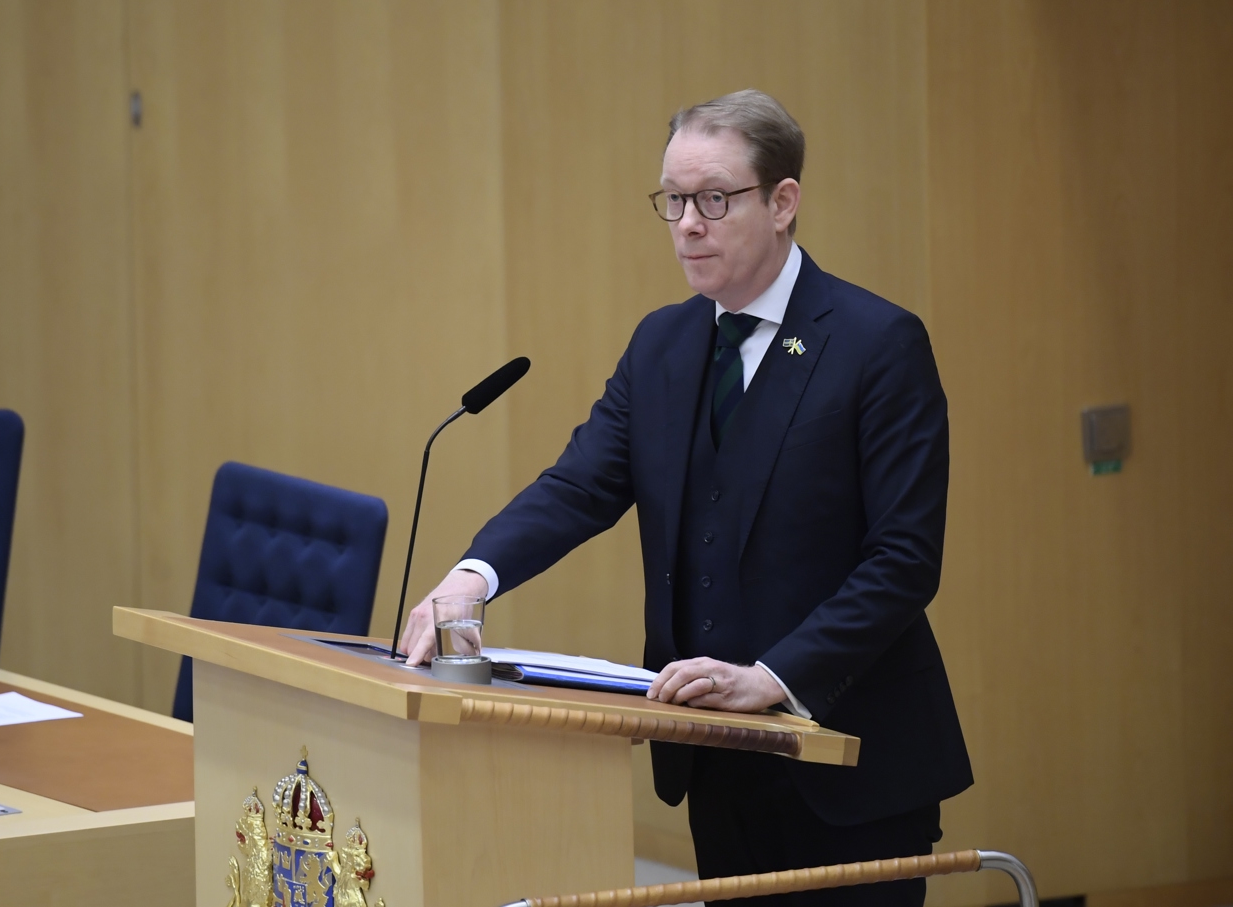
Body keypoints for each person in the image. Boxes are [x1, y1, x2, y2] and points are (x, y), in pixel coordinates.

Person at [399, 89, 972, 905]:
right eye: (673, 201)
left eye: (713, 198)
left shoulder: (878, 344)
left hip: (849, 763)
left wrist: (774, 675)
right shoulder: (663, 343)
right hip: (712, 752)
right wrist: (474, 575)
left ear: (783, 202)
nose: (688, 224)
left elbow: (904, 561)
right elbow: (581, 483)